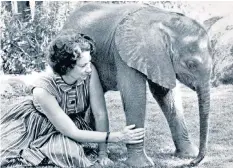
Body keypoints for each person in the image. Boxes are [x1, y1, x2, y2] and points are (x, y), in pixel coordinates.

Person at [0, 32, 145, 167]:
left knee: (77, 150)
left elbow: (100, 113)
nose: (89, 68)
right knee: (70, 154)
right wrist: (118, 136)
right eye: (83, 65)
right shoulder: (43, 90)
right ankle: (42, 148)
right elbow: (72, 132)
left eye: (89, 62)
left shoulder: (89, 72)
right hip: (41, 125)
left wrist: (102, 153)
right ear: (65, 67)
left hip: (73, 122)